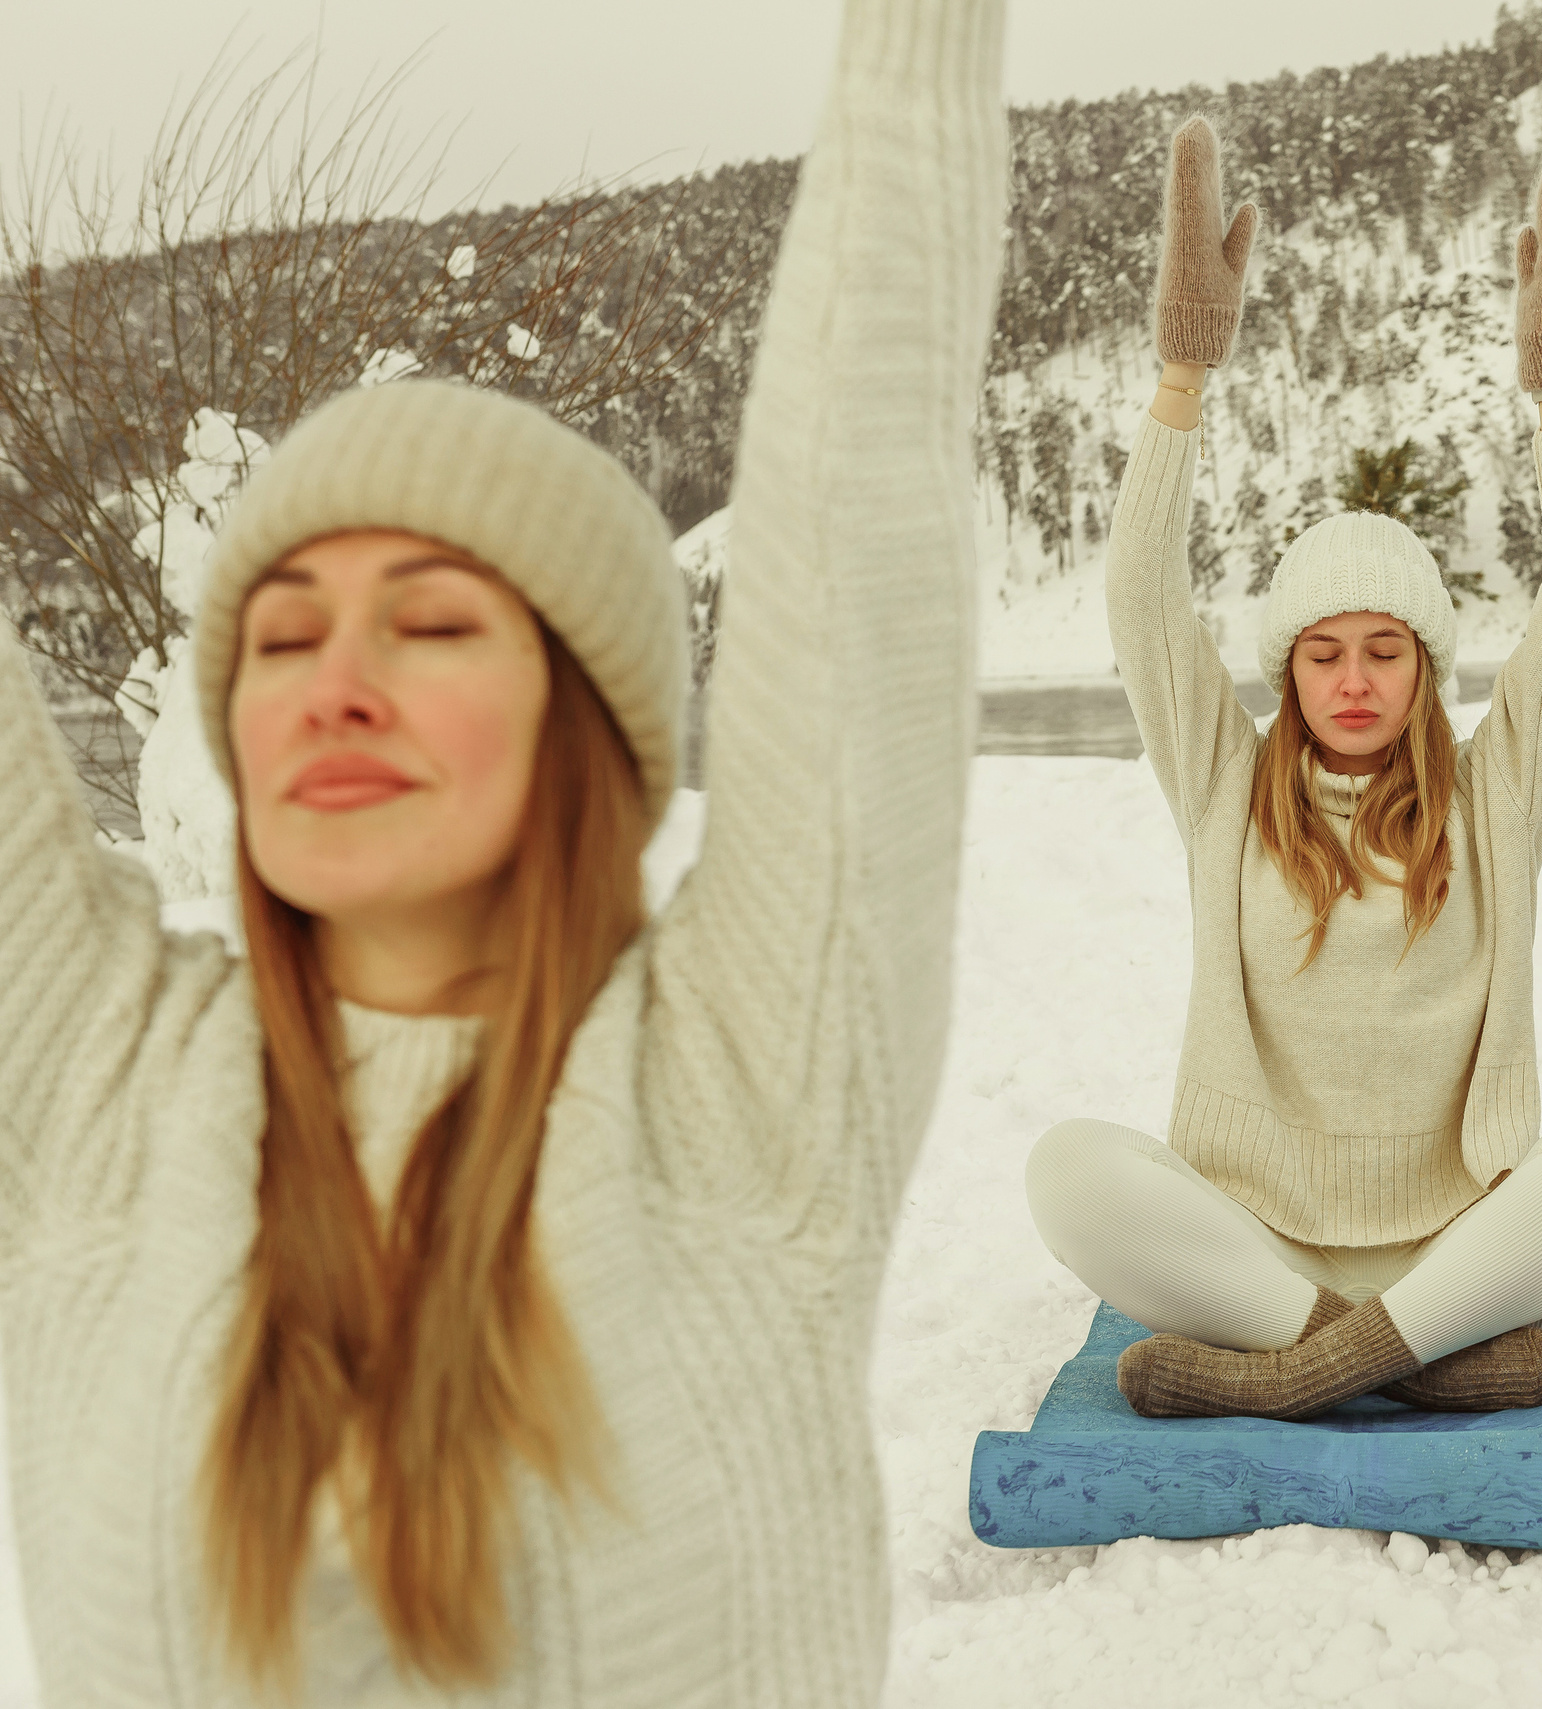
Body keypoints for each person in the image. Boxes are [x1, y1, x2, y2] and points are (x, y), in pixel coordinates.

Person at [0, 0, 1005, 1699]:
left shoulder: (740, 1094)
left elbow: (863, 480)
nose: (337, 685)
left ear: (586, 723)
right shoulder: (95, 1095)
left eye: (436, 621)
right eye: (284, 634)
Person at [1023, 120, 1542, 1424]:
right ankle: (1398, 1361)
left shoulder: (1498, 794)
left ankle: (1313, 1372)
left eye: (1387, 649)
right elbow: (1143, 597)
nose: (1356, 678)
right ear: (1290, 672)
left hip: (1464, 1254)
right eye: (1324, 652)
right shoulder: (1225, 784)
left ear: (1427, 668)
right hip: (1256, 1252)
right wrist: (1179, 376)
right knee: (1067, 1170)